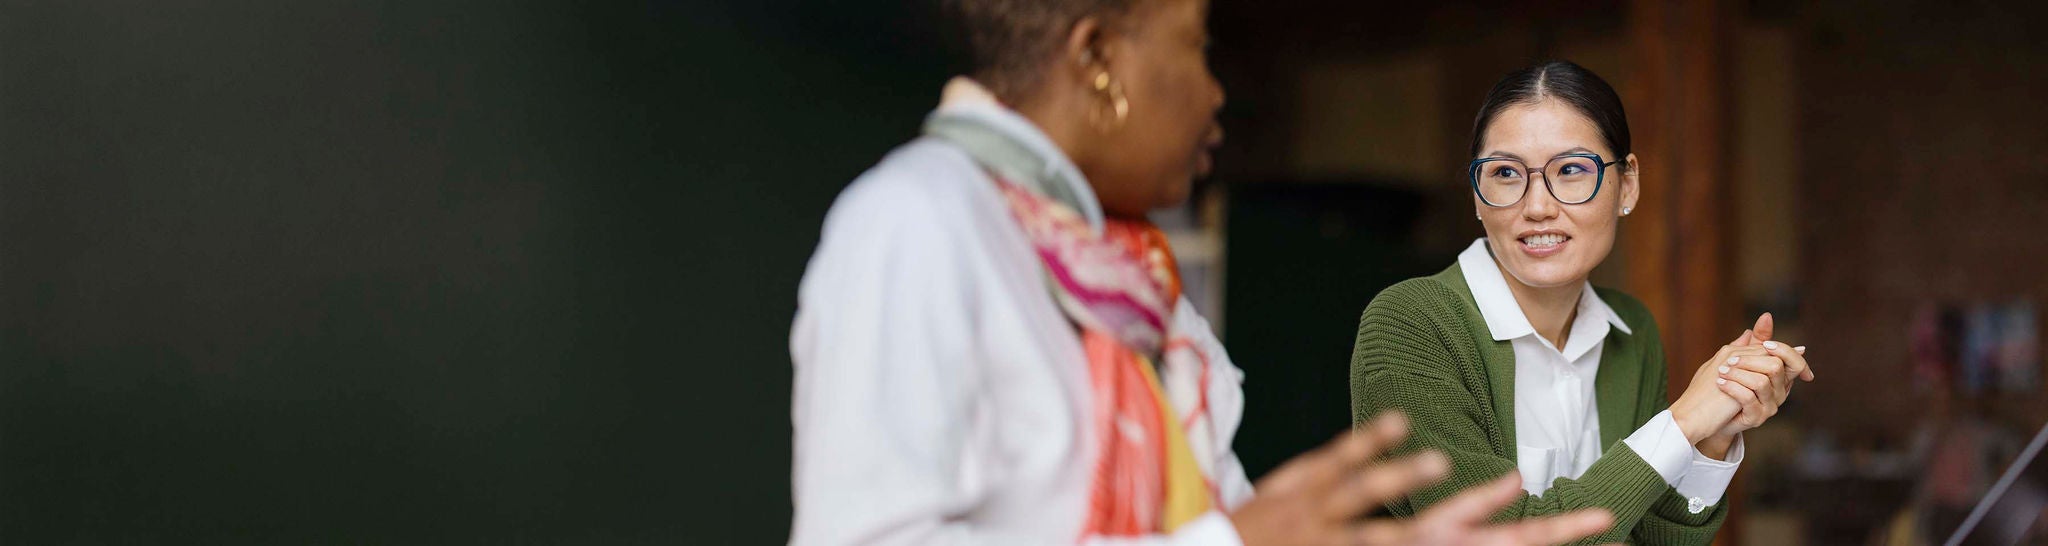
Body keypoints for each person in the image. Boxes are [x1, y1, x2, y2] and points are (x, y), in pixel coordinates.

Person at [789, 1, 1615, 544]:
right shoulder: (917, 222)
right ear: (1098, 59)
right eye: (1197, 46)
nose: (1216, 93)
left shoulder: (1137, 293)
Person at [1348, 60, 1816, 544]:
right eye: (1506, 173)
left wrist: (1714, 432)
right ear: (1477, 194)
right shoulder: (1411, 323)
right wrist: (1682, 422)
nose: (1537, 207)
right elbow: (1491, 537)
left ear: (1627, 185)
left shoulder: (1630, 331)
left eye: (1571, 170)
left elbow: (1653, 537)